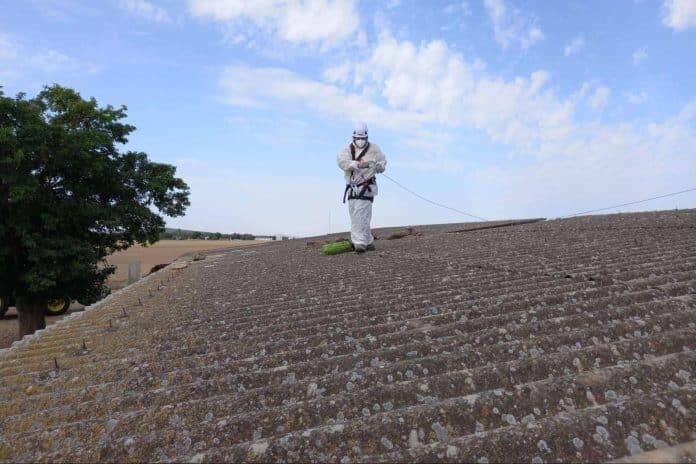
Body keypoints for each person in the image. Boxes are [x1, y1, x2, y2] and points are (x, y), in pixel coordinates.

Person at [337, 121, 387, 253]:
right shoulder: (347, 150)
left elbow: (383, 162)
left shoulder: (374, 149)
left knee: (361, 214)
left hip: (367, 186)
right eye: (358, 138)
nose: (360, 141)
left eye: (363, 138)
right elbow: (342, 162)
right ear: (353, 137)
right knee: (356, 215)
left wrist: (379, 166)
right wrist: (357, 164)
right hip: (352, 188)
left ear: (367, 137)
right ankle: (369, 241)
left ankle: (359, 242)